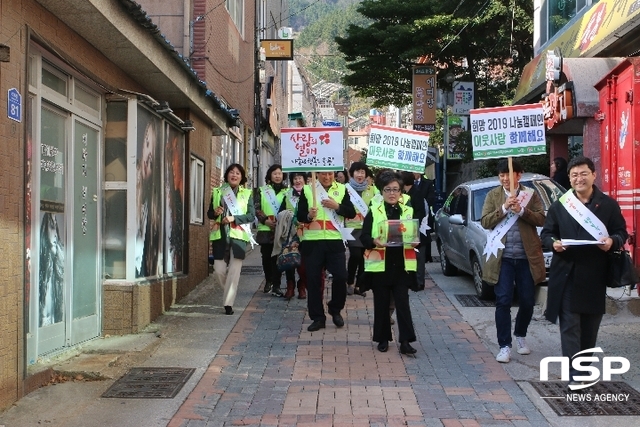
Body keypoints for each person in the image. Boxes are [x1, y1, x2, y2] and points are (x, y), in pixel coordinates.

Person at [541, 156, 627, 386]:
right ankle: (575, 377)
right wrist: (554, 244)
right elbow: (547, 234)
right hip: (566, 274)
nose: (579, 178)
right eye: (574, 175)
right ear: (569, 178)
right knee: (569, 327)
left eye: (583, 174)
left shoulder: (607, 204)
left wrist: (612, 242)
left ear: (593, 175)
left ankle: (583, 370)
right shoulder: (561, 205)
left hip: (594, 276)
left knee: (589, 330)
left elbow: (621, 233)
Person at [480, 159, 546, 363]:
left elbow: (542, 219)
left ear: (519, 175)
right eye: (502, 175)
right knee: (503, 300)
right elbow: (485, 221)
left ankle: (520, 334)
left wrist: (523, 211)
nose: (505, 179)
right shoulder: (493, 195)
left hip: (526, 257)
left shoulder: (530, 195)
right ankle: (504, 345)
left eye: (509, 174)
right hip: (503, 258)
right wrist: (504, 208)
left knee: (527, 300)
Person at [361, 170, 419, 354]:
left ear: (401, 191)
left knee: (403, 303)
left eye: (396, 189)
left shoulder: (408, 211)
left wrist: (417, 240)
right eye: (388, 189)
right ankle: (383, 338)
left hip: (402, 264)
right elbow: (363, 236)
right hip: (381, 264)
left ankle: (406, 341)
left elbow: (418, 235)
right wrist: (373, 241)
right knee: (382, 303)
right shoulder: (373, 210)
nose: (392, 193)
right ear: (382, 191)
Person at [296, 172, 356, 331]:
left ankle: (335, 309)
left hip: (334, 241)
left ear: (334, 175)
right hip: (312, 242)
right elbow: (299, 215)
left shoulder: (342, 189)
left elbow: (351, 212)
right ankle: (317, 317)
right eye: (323, 173)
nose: (326, 177)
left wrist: (338, 207)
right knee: (314, 281)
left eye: (330, 173)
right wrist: (309, 215)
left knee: (341, 276)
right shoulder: (308, 190)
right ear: (317, 174)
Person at [208, 163, 256, 315]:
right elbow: (210, 214)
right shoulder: (218, 191)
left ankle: (228, 303)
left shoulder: (247, 193)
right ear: (227, 175)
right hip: (220, 237)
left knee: (234, 272)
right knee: (218, 271)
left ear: (241, 177)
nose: (234, 175)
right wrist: (215, 213)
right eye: (231, 172)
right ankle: (229, 290)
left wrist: (233, 218)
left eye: (237, 173)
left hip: (238, 238)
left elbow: (250, 216)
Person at [344, 162, 379, 296]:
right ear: (352, 173)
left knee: (365, 257)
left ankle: (359, 285)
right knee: (355, 255)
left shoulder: (372, 190)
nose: (360, 175)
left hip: (366, 229)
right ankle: (349, 282)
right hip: (351, 228)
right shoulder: (345, 189)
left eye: (362, 172)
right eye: (357, 172)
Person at [255, 164, 288, 297]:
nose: (277, 176)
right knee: (266, 257)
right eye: (275, 173)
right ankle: (268, 279)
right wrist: (265, 220)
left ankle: (277, 285)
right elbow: (256, 208)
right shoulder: (262, 191)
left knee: (278, 258)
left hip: (280, 229)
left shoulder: (287, 192)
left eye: (280, 173)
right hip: (265, 229)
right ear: (270, 175)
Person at [135, 117, 162, 278]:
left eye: (152, 160)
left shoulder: (153, 205)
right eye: (146, 144)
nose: (146, 161)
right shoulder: (132, 180)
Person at [277, 171, 308, 300]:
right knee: (290, 258)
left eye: (300, 178)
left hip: (306, 232)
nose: (297, 181)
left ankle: (302, 285)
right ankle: (290, 286)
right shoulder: (287, 194)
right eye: (295, 178)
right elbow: (279, 213)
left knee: (304, 262)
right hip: (291, 233)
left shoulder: (310, 194)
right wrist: (287, 215)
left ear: (305, 180)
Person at [402, 172, 429, 290]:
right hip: (408, 230)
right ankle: (412, 281)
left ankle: (419, 282)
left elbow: (420, 213)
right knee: (411, 256)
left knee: (419, 257)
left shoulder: (416, 194)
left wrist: (411, 224)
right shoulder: (405, 194)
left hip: (418, 229)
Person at [411, 172, 436, 262]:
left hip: (425, 214)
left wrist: (422, 202)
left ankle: (427, 256)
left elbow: (432, 198)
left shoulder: (428, 183)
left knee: (426, 234)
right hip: (413, 212)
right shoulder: (409, 183)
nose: (414, 173)